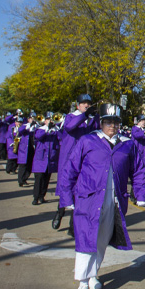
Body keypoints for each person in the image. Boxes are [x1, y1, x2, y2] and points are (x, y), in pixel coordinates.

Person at [59, 103, 145, 289]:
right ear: (101, 122)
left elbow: (139, 171)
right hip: (88, 199)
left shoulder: (128, 144)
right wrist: (66, 198)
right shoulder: (87, 140)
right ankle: (82, 284)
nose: (112, 126)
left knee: (101, 240)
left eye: (115, 122)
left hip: (114, 200)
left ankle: (93, 274)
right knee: (85, 239)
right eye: (108, 122)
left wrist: (141, 194)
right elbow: (70, 170)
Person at [53, 94, 98, 233]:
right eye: (84, 103)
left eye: (89, 103)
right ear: (78, 105)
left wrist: (95, 117)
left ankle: (73, 226)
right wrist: (84, 116)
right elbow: (70, 127)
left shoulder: (91, 119)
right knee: (66, 189)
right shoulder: (71, 117)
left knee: (80, 192)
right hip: (69, 160)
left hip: (85, 160)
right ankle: (59, 214)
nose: (87, 105)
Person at [31, 112, 61, 205]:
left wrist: (57, 129)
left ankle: (42, 196)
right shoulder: (40, 129)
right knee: (39, 179)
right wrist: (47, 129)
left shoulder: (56, 130)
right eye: (48, 119)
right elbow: (38, 137)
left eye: (51, 119)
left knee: (46, 179)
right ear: (45, 120)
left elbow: (61, 138)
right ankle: (35, 197)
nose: (50, 121)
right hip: (40, 159)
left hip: (50, 159)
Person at [130, 114, 145, 200]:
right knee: (136, 175)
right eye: (142, 121)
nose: (144, 122)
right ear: (139, 122)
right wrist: (144, 132)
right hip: (137, 155)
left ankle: (140, 195)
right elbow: (137, 136)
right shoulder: (135, 129)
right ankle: (134, 194)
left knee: (143, 176)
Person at [16, 112, 38, 187]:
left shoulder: (37, 126)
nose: (32, 120)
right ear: (28, 119)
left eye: (34, 118)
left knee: (30, 165)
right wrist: (29, 125)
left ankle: (25, 178)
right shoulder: (25, 125)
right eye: (31, 118)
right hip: (24, 149)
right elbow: (20, 131)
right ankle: (21, 180)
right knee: (23, 165)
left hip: (32, 148)